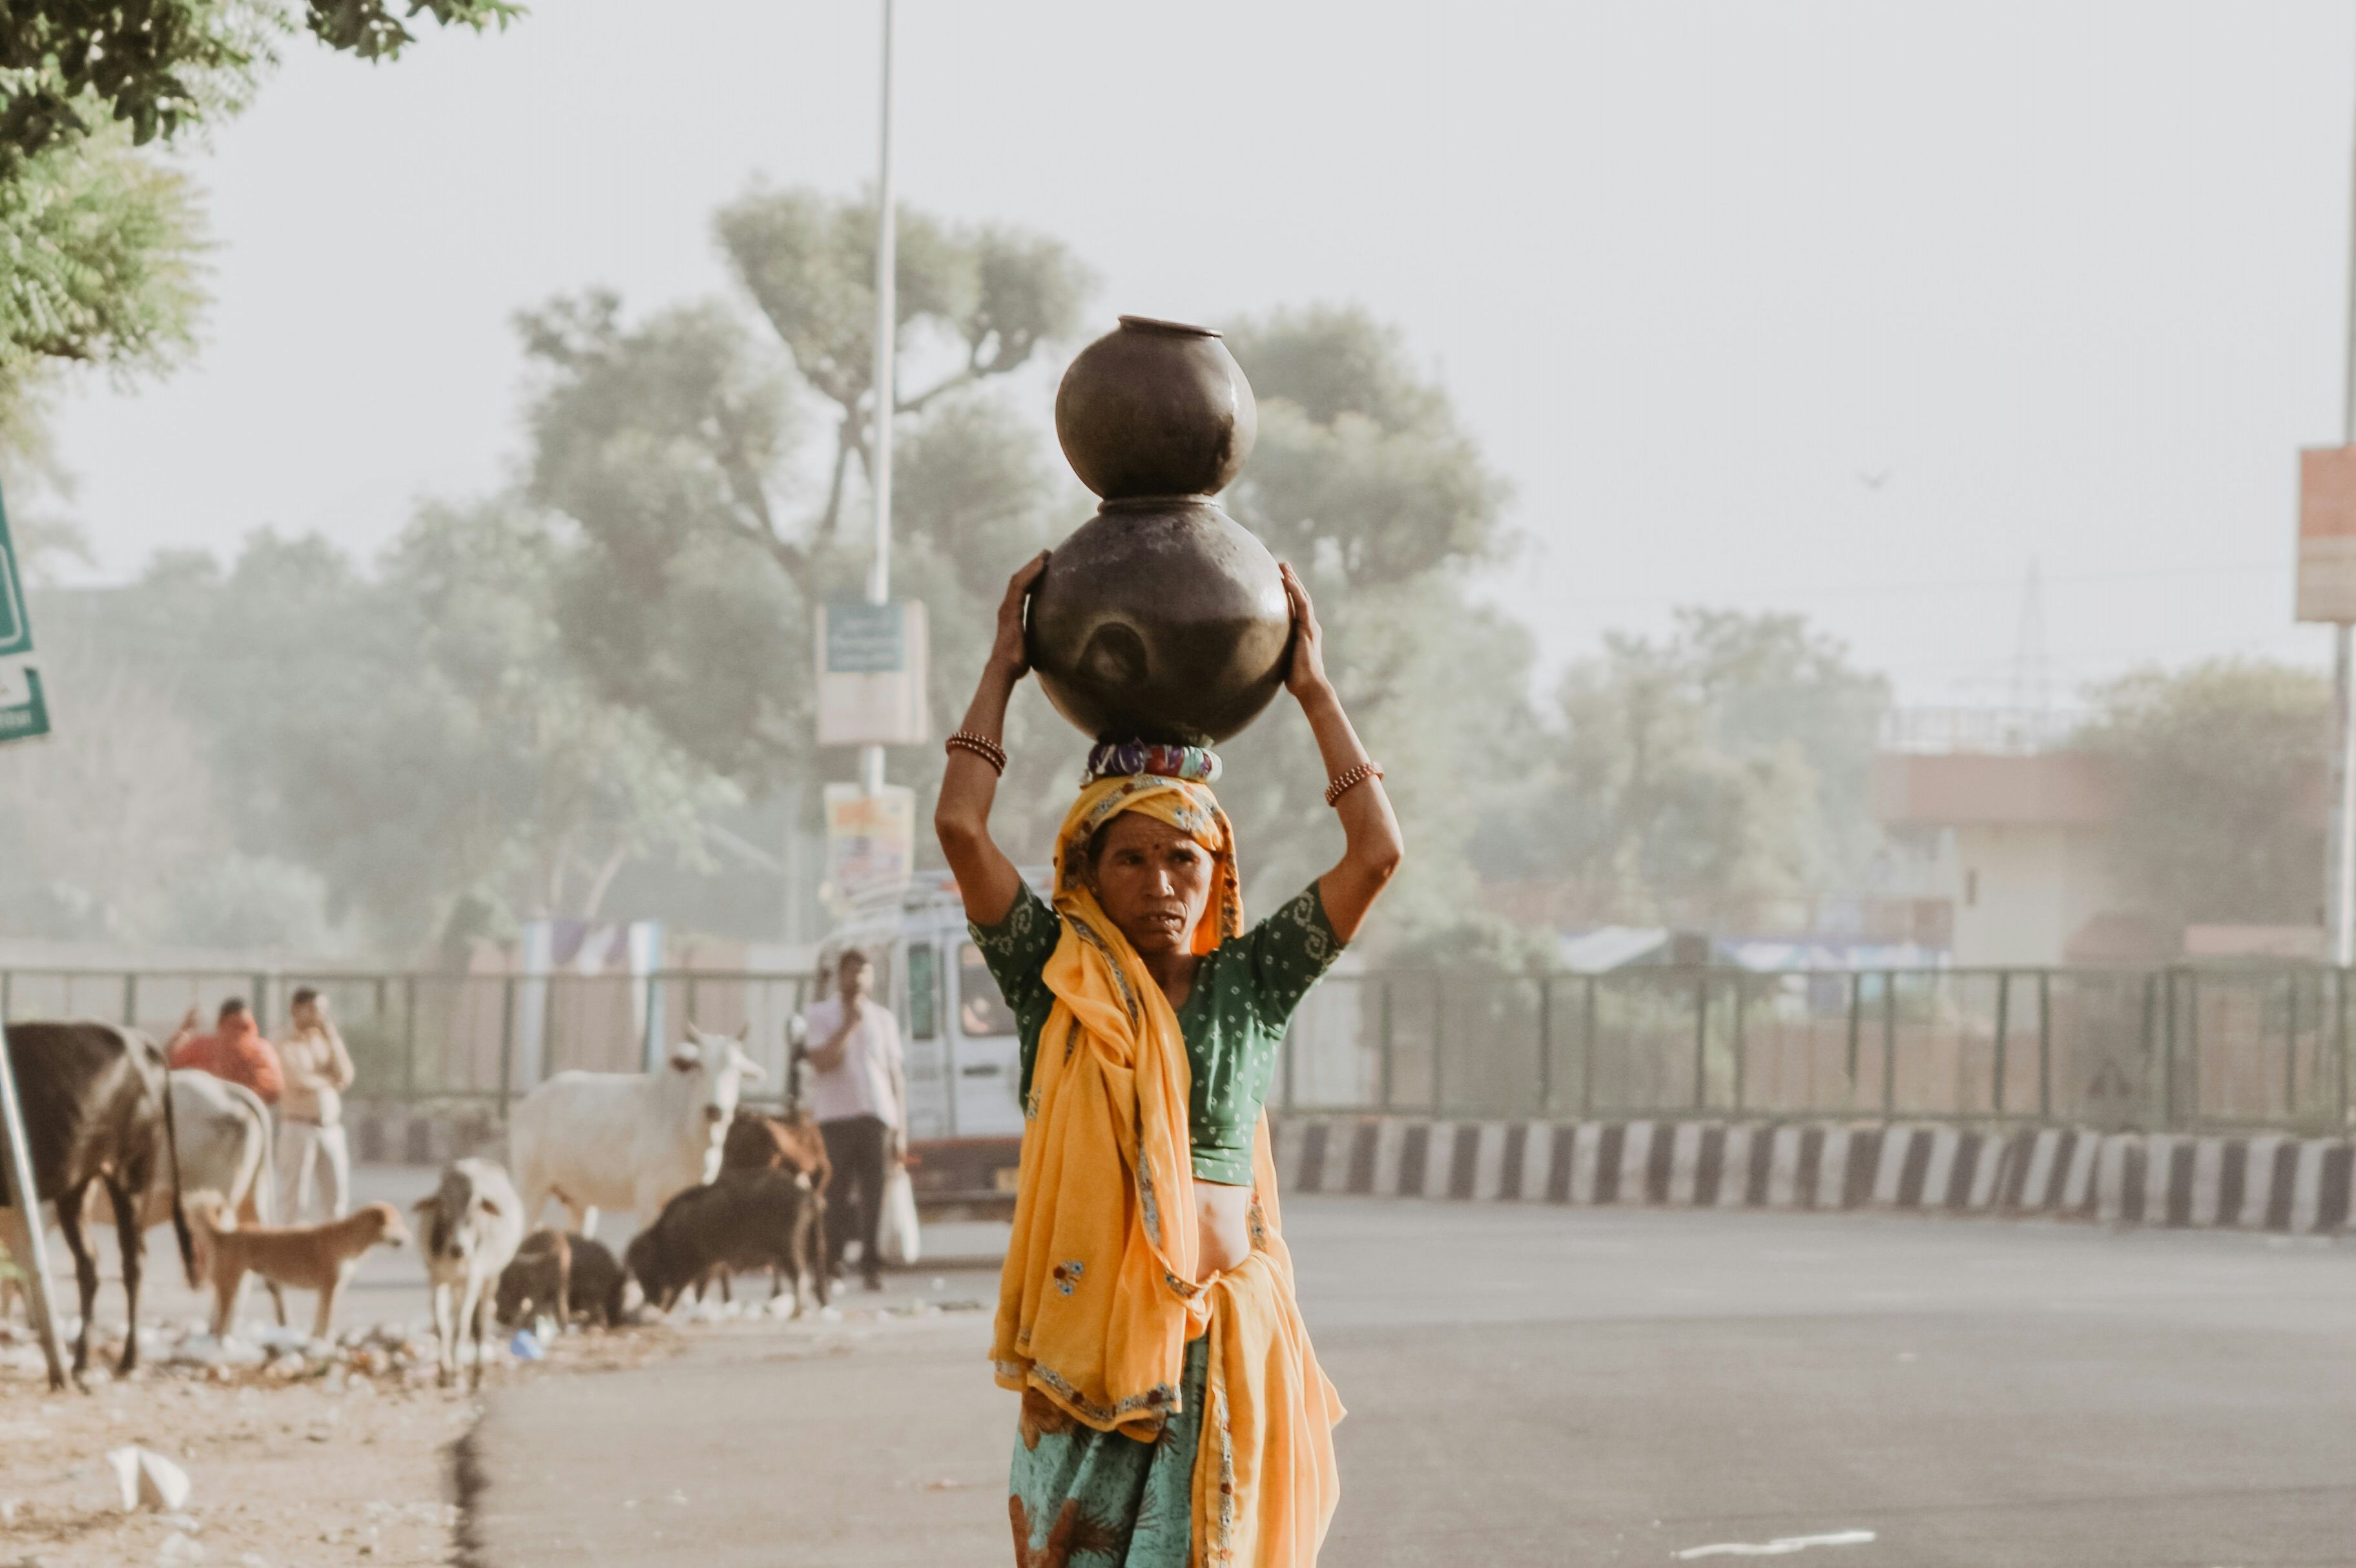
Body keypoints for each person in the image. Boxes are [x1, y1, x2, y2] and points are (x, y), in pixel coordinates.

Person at [935, 552, 1403, 1567]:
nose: (1160, 883)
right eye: (1131, 858)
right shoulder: (1053, 976)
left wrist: (1316, 693)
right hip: (1096, 1378)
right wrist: (1001, 670)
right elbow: (960, 828)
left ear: (1217, 869)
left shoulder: (1255, 981)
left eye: (1183, 858)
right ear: (1087, 873)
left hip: (1227, 1359)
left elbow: (1376, 854)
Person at [799, 949, 907, 1292]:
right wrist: (847, 1027)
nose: (857, 979)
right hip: (835, 1118)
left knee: (874, 1195)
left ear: (871, 978)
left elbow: (895, 1077)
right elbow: (821, 1062)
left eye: (864, 973)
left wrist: (901, 1131)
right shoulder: (819, 1015)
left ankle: (871, 1265)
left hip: (875, 1117)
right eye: (851, 972)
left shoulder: (884, 1019)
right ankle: (832, 1262)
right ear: (840, 976)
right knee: (836, 1194)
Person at [276, 985, 357, 1222]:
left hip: (330, 1127)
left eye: (321, 1010)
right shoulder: (283, 1040)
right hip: (298, 1127)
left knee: (336, 1197)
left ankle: (333, 1255)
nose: (318, 1015)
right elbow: (295, 1078)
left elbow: (346, 1075)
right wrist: (329, 1081)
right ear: (295, 1010)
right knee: (296, 1199)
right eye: (312, 1009)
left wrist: (333, 1038)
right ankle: (289, 1253)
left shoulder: (325, 1040)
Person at [167, 998, 284, 1106]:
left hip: (213, 1112)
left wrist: (186, 1030)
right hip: (252, 1113)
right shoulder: (263, 1049)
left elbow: (171, 1061)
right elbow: (275, 1089)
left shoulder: (205, 1046)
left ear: (221, 1020)